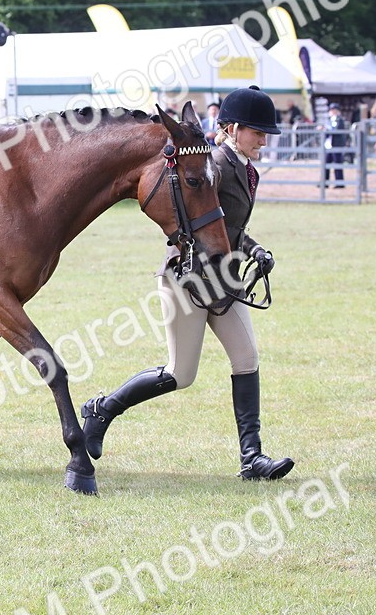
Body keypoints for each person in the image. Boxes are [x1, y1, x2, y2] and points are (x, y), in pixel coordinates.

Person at [80, 85, 294, 482]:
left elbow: (226, 227)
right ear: (230, 129)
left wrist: (255, 249)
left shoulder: (248, 169)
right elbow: (198, 220)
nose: (263, 140)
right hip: (187, 278)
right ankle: (102, 409)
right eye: (256, 132)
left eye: (265, 134)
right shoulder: (211, 163)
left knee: (246, 360)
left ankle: (252, 458)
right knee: (181, 374)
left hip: (224, 278)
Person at [323, 102, 347, 188]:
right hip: (329, 145)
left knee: (337, 164)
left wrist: (327, 129)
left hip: (336, 145)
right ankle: (325, 182)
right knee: (326, 164)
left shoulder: (339, 120)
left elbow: (336, 131)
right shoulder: (329, 120)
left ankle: (339, 183)